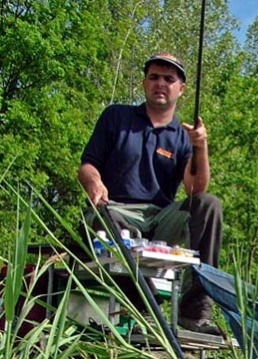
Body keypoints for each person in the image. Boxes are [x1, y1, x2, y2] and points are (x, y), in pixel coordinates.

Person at [78, 52, 222, 335]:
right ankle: (141, 301)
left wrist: (201, 147)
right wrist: (94, 183)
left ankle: (195, 312)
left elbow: (195, 189)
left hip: (159, 220)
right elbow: (87, 165)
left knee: (209, 204)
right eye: (154, 77)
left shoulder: (182, 135)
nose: (161, 83)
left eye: (169, 79)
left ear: (180, 89)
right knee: (103, 222)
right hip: (115, 210)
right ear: (144, 83)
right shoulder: (116, 116)